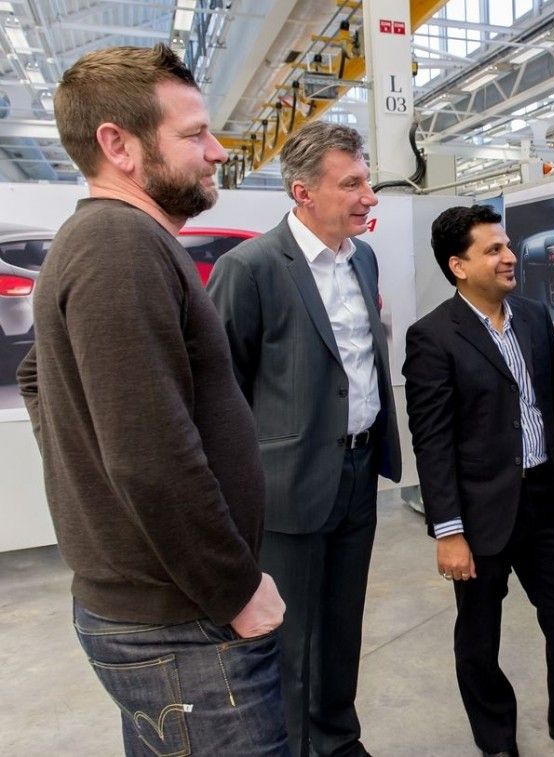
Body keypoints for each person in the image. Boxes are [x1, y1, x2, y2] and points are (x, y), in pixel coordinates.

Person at [16, 44, 288, 755]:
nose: (218, 151)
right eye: (194, 134)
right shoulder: (119, 243)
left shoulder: (112, 240)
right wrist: (234, 588)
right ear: (119, 146)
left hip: (166, 615)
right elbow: (150, 457)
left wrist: (93, 485)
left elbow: (37, 379)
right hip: (184, 623)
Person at [403, 205, 554, 757]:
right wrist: (449, 531)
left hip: (546, 499)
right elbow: (432, 442)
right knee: (480, 635)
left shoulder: (532, 318)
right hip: (480, 511)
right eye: (493, 250)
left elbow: (552, 406)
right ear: (459, 266)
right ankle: (497, 742)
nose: (510, 257)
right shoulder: (432, 336)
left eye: (507, 246)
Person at [207, 119, 401, 757]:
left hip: (360, 471)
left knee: (343, 624)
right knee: (287, 640)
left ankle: (338, 739)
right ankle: (289, 746)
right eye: (352, 184)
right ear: (303, 192)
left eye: (367, 181)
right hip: (286, 484)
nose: (368, 197)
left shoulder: (362, 258)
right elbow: (222, 393)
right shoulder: (250, 268)